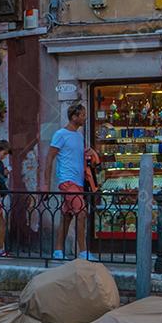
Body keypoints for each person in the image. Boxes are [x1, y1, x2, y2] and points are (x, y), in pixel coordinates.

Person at [44, 103, 96, 261]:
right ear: (74, 117)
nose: (85, 117)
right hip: (67, 181)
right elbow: (49, 158)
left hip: (78, 182)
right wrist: (46, 185)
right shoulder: (60, 134)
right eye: (82, 115)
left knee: (67, 217)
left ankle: (58, 250)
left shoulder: (79, 136)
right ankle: (83, 252)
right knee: (81, 213)